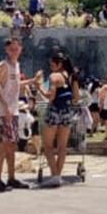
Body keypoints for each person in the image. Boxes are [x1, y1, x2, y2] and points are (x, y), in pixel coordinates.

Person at [0, 38, 41, 193]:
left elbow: (16, 85)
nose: (14, 51)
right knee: (4, 146)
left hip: (13, 110)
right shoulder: (4, 65)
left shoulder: (16, 66)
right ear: (7, 50)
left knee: (11, 145)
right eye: (11, 48)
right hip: (4, 111)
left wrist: (32, 81)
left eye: (16, 48)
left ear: (20, 49)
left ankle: (11, 177)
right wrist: (5, 106)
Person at [39, 52, 80, 187]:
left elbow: (50, 96)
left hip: (54, 110)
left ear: (59, 64)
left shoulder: (54, 76)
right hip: (67, 111)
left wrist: (38, 86)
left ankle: (55, 174)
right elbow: (76, 97)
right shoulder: (72, 76)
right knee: (62, 146)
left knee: (48, 145)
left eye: (52, 64)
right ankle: (58, 174)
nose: (51, 67)